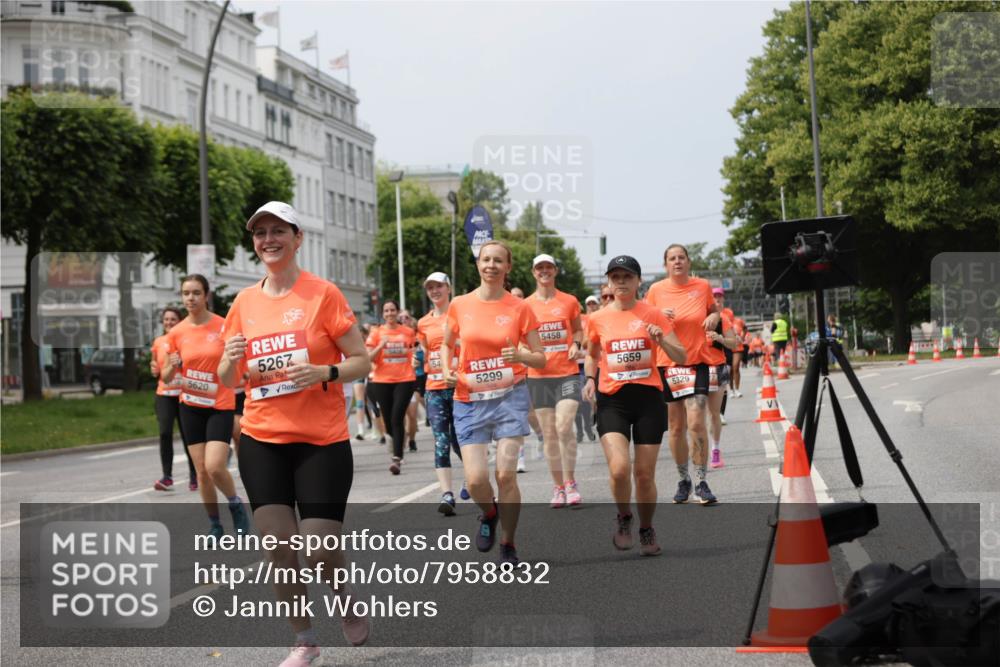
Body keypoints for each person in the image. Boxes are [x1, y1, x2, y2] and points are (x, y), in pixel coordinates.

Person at [219, 201, 372, 665]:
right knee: (279, 546)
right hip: (262, 439)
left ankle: (343, 597)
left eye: (278, 231)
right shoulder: (244, 302)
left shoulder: (322, 294)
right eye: (260, 232)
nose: (268, 239)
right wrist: (229, 356)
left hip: (321, 440)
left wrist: (323, 371)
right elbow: (229, 379)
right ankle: (305, 641)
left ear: (297, 238)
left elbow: (362, 360)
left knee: (321, 546)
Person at [441, 240, 546, 566]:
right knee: (475, 480)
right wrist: (446, 369)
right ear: (478, 264)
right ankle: (489, 513)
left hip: (509, 397)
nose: (491, 265)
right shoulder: (459, 304)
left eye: (498, 261)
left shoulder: (519, 307)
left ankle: (508, 544)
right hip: (469, 399)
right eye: (486, 260)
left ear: (508, 267)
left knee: (505, 475)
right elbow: (446, 345)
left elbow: (540, 358)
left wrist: (521, 355)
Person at [583, 255, 687, 556]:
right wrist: (590, 378)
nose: (621, 282)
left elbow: (680, 355)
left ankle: (646, 527)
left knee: (643, 474)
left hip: (647, 399)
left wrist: (662, 341)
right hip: (612, 400)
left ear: (638, 281)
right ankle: (624, 516)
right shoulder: (598, 317)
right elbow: (591, 353)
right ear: (609, 283)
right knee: (619, 470)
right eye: (615, 277)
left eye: (627, 276)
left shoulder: (654, 314)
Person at [161, 275, 250, 537]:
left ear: (206, 295)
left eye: (196, 293)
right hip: (189, 406)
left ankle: (235, 504)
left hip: (219, 404)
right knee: (201, 472)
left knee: (214, 466)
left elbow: (237, 367)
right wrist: (172, 365)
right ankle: (215, 524)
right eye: (186, 293)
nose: (191, 298)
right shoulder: (176, 333)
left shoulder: (223, 326)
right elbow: (166, 377)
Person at [645, 244, 722, 505]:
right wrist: (656, 317)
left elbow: (714, 311)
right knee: (676, 427)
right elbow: (643, 322)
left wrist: (714, 318)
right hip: (667, 363)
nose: (677, 262)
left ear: (688, 262)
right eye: (671, 258)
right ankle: (683, 479)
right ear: (665, 265)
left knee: (697, 421)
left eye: (681, 258)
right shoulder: (656, 290)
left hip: (697, 361)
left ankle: (701, 481)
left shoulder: (702, 286)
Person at [525, 254, 585, 508]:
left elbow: (578, 329)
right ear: (533, 272)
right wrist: (524, 354)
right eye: (540, 267)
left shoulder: (569, 301)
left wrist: (576, 343)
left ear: (555, 271)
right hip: (539, 377)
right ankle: (558, 487)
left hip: (567, 373)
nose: (544, 271)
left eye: (548, 267)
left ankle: (570, 482)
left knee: (563, 427)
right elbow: (519, 336)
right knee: (549, 434)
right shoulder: (525, 306)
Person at [416, 272, 466, 515]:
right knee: (441, 441)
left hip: (458, 387)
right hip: (434, 389)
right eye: (430, 288)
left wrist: (454, 347)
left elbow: (469, 346)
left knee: (460, 439)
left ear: (448, 288)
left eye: (439, 286)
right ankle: (447, 494)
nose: (435, 291)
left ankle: (472, 477)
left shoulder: (460, 316)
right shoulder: (423, 323)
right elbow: (426, 352)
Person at [366, 300, 417, 475]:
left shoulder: (408, 332)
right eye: (386, 311)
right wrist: (381, 345)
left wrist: (417, 358)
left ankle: (397, 458)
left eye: (392, 310)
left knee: (397, 417)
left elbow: (415, 350)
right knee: (387, 420)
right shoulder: (376, 333)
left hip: (405, 379)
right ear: (382, 314)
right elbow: (369, 358)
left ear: (397, 312)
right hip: (381, 381)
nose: (389, 313)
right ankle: (392, 438)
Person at [150, 306, 198, 491]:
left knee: (188, 436)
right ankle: (167, 476)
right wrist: (154, 369)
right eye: (166, 320)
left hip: (184, 394)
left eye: (173, 320)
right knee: (164, 433)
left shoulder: (187, 340)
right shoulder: (158, 342)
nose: (169, 323)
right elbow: (155, 366)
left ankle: (195, 475)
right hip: (164, 394)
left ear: (180, 322)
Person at [704, 288, 740, 468]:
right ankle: (699, 454)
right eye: (713, 297)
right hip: (695, 368)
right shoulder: (689, 317)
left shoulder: (722, 318)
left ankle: (715, 449)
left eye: (719, 296)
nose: (716, 299)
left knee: (713, 414)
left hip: (716, 368)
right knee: (695, 417)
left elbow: (734, 343)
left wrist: (719, 338)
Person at [574, 295, 600, 444]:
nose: (591, 305)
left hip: (587, 364)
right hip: (573, 365)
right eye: (588, 303)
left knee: (585, 400)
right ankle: (580, 431)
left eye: (593, 303)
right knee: (577, 401)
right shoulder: (566, 322)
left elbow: (586, 342)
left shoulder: (588, 320)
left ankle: (588, 427)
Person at [400, 309, 422, 452]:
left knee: (412, 415)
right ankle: (400, 447)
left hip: (417, 378)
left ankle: (412, 439)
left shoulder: (418, 337)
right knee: (401, 415)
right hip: (401, 380)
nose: (403, 320)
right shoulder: (396, 338)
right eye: (400, 318)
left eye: (406, 317)